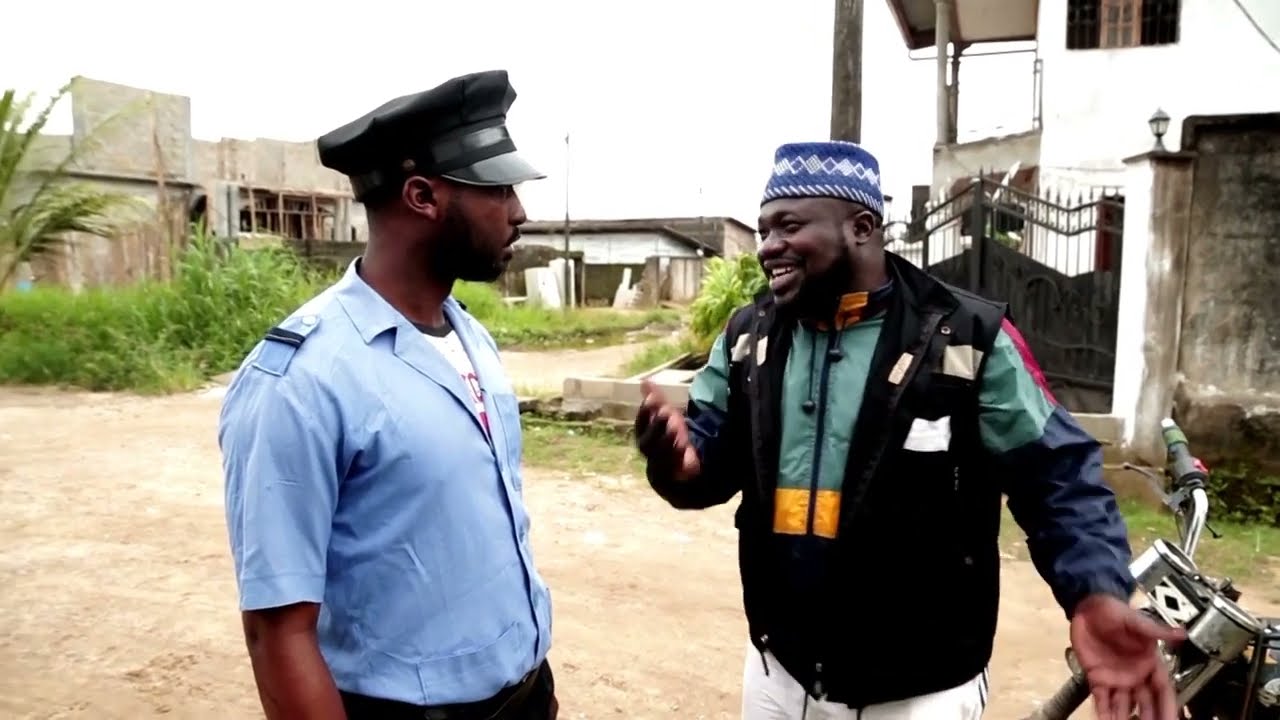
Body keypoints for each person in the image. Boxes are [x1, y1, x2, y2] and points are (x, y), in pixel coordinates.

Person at [635, 140, 1185, 720]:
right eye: (764, 229)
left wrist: (1095, 589)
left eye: (788, 227)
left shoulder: (966, 338)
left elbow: (1057, 477)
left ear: (862, 227)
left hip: (922, 689)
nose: (768, 247)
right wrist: (679, 467)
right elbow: (706, 460)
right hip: (779, 674)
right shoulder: (751, 336)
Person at [218, 69, 557, 720]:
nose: (520, 212)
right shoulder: (300, 380)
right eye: (499, 188)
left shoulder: (470, 336)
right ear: (424, 196)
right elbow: (277, 633)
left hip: (525, 697)